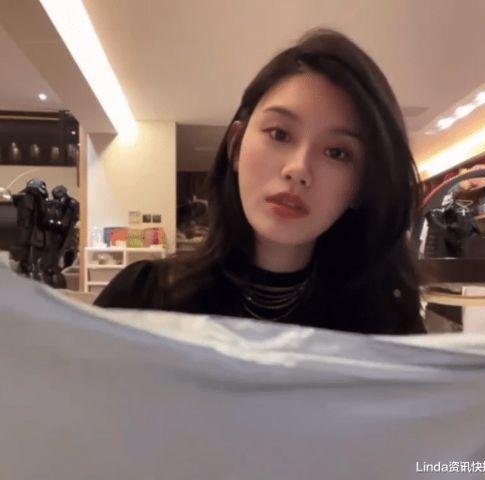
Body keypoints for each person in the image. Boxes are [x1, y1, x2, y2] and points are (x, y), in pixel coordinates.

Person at [95, 28, 426, 335]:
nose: (298, 169)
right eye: (279, 134)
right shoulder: (143, 300)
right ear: (236, 146)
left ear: (360, 186)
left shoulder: (388, 328)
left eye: (337, 153)